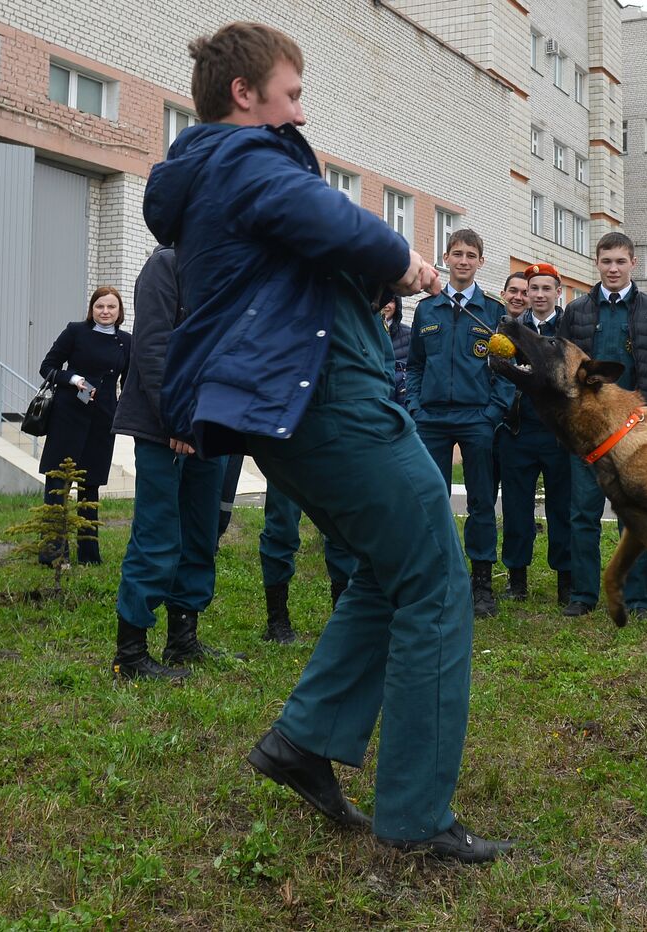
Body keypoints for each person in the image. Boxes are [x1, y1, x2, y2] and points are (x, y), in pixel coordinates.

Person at [146, 21, 509, 861]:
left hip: (303, 400)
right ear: (247, 95)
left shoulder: (209, 173)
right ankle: (417, 822)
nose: (300, 113)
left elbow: (291, 248)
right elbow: (326, 216)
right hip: (328, 401)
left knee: (392, 568)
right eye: (294, 93)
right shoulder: (243, 159)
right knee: (435, 577)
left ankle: (305, 742)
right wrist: (403, 261)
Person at [111, 246, 239, 682]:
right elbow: (152, 348)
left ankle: (182, 640)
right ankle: (130, 656)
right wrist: (178, 419)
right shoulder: (165, 265)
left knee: (201, 533)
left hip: (210, 423)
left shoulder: (222, 267)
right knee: (159, 533)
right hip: (164, 423)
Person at [556, 231, 647, 618]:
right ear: (597, 263)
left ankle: (639, 598)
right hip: (588, 433)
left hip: (634, 436)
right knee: (582, 513)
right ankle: (583, 595)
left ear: (633, 264)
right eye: (606, 261)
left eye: (620, 261)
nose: (613, 268)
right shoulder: (576, 312)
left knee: (637, 516)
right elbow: (561, 372)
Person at [406, 228, 513, 618]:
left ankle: (481, 583)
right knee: (431, 501)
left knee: (482, 501)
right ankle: (435, 580)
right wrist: (415, 405)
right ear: (445, 259)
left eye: (471, 254)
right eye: (457, 253)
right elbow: (416, 365)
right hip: (431, 419)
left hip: (476, 419)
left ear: (481, 262)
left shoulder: (493, 310)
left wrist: (492, 413)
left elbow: (505, 370)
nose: (464, 260)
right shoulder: (426, 309)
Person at [37, 287, 132, 566]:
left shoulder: (127, 341)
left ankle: (89, 556)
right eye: (99, 306)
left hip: (103, 418)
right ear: (91, 309)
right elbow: (48, 367)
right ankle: (53, 554)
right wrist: (73, 379)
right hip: (68, 415)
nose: (105, 311)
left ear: (119, 312)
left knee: (90, 486)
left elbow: (128, 384)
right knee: (58, 482)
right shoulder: (75, 331)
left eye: (111, 307)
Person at [497, 263, 572, 604]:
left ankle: (566, 580)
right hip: (519, 430)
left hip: (558, 434)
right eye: (533, 289)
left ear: (559, 292)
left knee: (562, 509)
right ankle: (516, 579)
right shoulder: (513, 329)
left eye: (546, 289)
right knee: (516, 509)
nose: (539, 295)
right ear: (525, 295)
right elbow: (496, 372)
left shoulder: (569, 329)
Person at [259, 481, 358, 643]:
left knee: (340, 525)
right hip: (284, 457)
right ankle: (277, 621)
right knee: (282, 523)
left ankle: (343, 618)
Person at [380, 295, 410, 408]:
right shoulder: (362, 331)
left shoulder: (409, 335)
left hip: (400, 405)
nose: (386, 305)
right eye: (382, 300)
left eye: (391, 301)